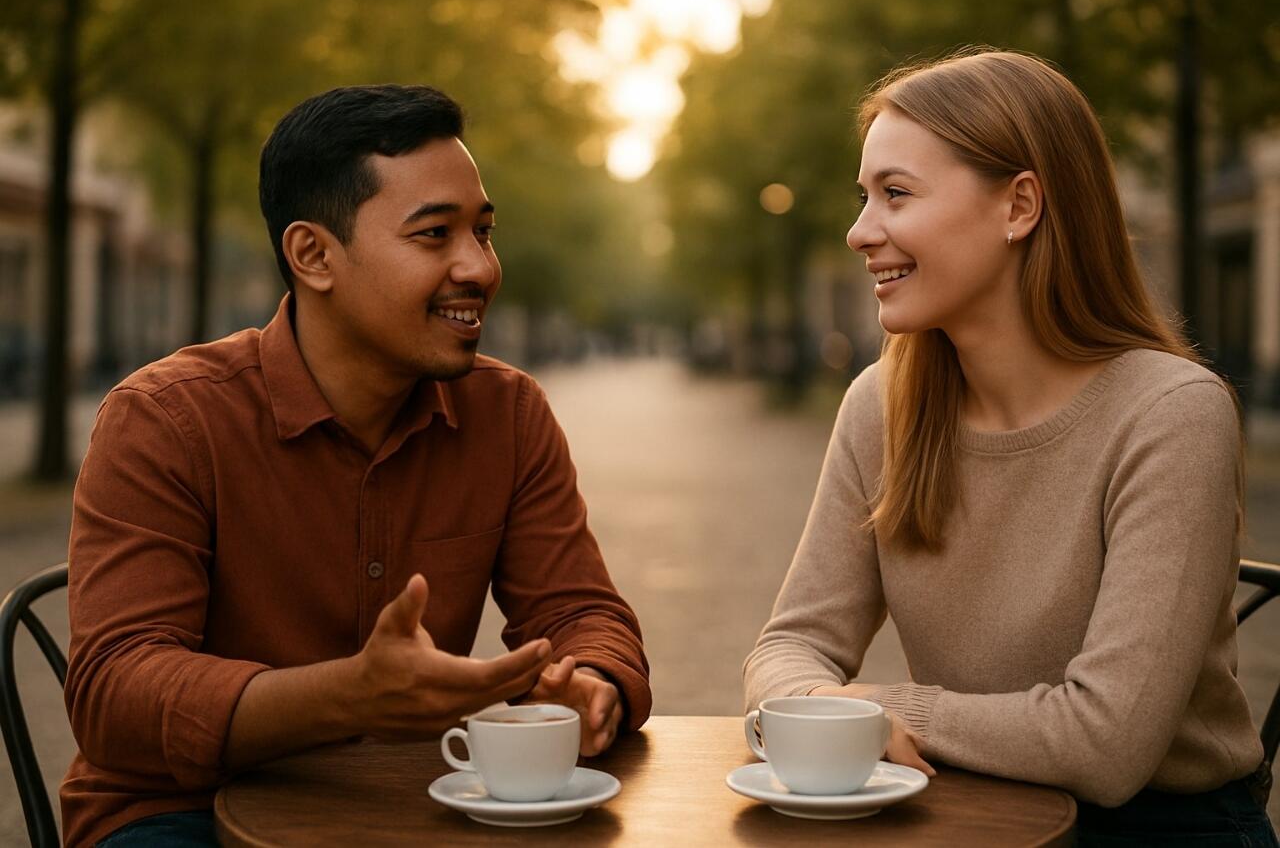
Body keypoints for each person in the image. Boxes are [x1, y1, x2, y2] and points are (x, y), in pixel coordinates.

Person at [62, 84, 651, 847]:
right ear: (313, 255)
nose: (479, 267)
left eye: (484, 231)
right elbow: (117, 692)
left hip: (413, 802)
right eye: (434, 234)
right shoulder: (166, 420)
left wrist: (592, 685)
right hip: (182, 813)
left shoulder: (507, 414)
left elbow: (584, 615)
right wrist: (351, 697)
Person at [743, 50, 1277, 845]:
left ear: (1019, 205)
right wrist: (814, 706)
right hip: (961, 806)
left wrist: (890, 709)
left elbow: (1106, 744)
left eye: (895, 194)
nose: (860, 232)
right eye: (864, 197)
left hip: (1160, 829)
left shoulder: (1171, 414)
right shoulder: (880, 405)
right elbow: (792, 643)